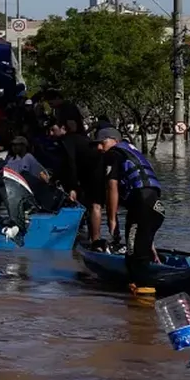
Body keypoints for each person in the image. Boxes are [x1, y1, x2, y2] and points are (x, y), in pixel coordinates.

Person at [95, 127, 165, 294]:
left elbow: (112, 186)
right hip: (156, 207)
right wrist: (149, 243)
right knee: (139, 247)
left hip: (143, 205)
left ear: (114, 141)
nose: (99, 148)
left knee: (135, 257)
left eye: (102, 143)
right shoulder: (132, 152)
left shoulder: (113, 153)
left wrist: (112, 219)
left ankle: (142, 308)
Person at [49, 119, 103, 245]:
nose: (50, 134)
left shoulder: (68, 140)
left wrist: (73, 187)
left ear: (63, 128)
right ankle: (90, 237)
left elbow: (71, 163)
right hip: (87, 171)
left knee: (95, 205)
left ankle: (96, 240)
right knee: (86, 205)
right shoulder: (75, 139)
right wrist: (55, 178)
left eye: (53, 130)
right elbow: (65, 166)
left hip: (95, 170)